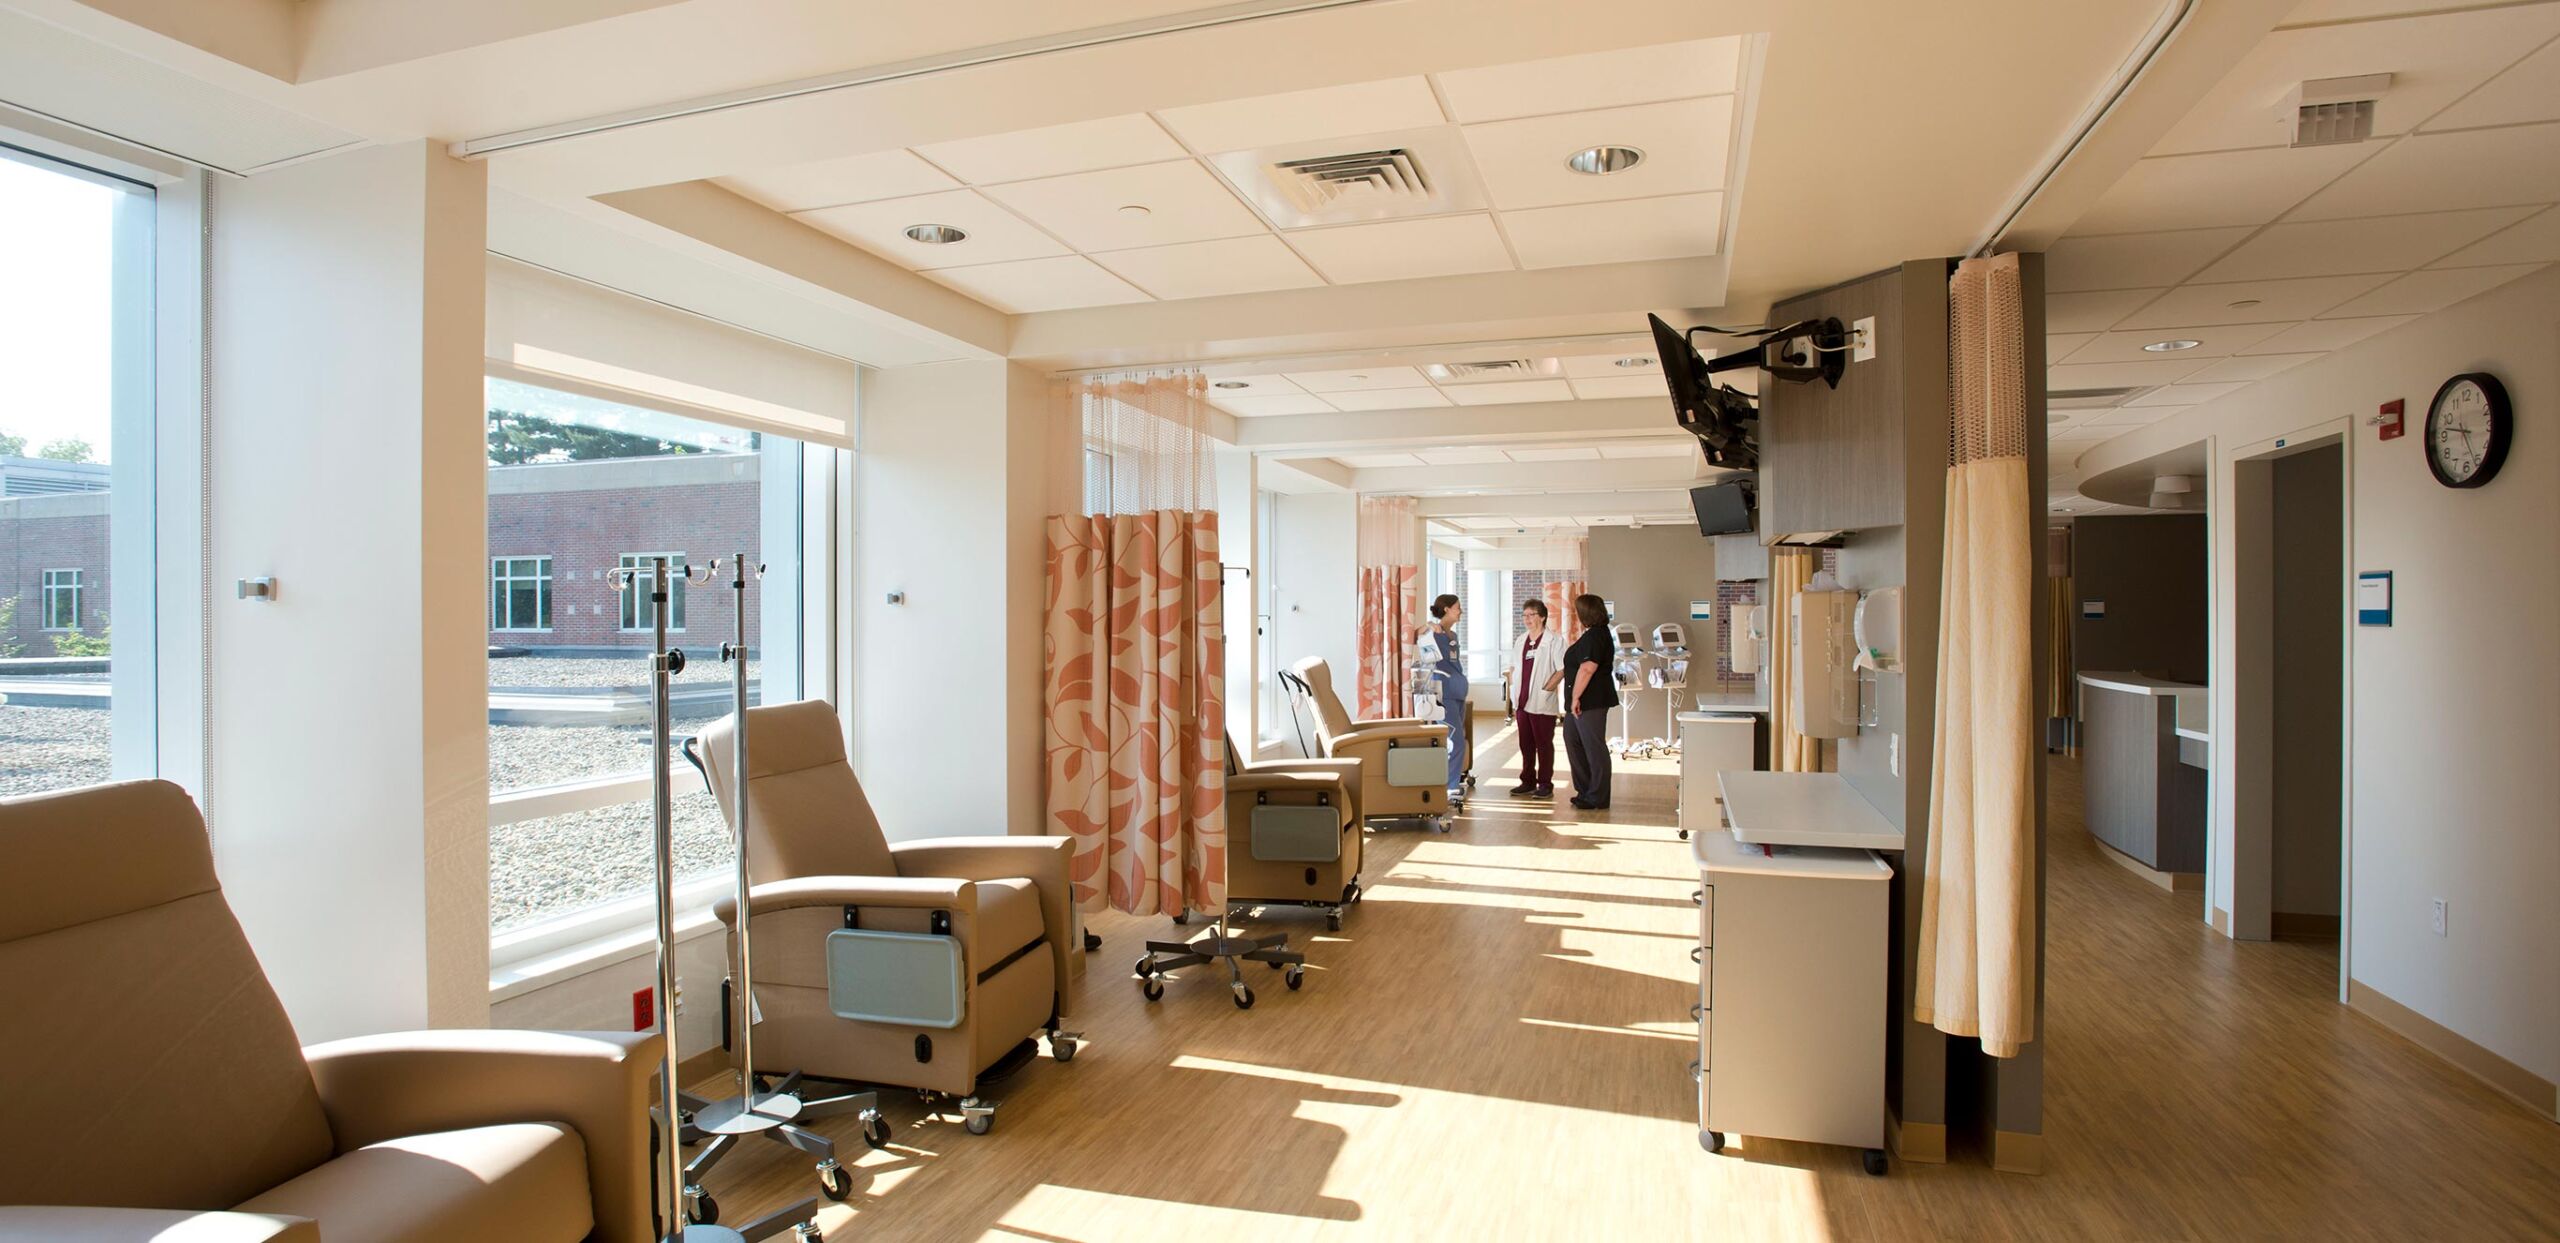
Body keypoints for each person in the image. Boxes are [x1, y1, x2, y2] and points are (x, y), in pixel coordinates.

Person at [1557, 594, 1620, 810]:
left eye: (1577, 611)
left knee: (1594, 747)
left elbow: (1587, 668)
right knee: (1572, 739)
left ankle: (1598, 796)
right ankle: (1585, 790)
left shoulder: (1596, 636)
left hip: (1590, 702)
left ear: (1586, 613)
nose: (1575, 615)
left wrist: (1575, 697)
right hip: (1581, 702)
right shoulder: (1592, 634)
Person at [1507, 599, 1564, 798]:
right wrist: (1513, 694)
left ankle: (1545, 784)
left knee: (1544, 744)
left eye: (1531, 615)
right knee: (1526, 744)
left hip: (1542, 701)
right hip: (1522, 701)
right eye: (1524, 615)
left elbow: (1561, 669)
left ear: (1542, 616)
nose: (1527, 619)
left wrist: (1546, 689)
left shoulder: (1554, 640)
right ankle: (1528, 781)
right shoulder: (1521, 640)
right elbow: (1514, 667)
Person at [1421, 593, 1468, 802]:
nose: (1461, 611)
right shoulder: (1432, 633)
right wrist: (1428, 625)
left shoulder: (1453, 636)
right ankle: (1449, 786)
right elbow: (1413, 635)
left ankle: (1451, 780)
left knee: (1458, 738)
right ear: (1447, 609)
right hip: (1443, 694)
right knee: (1454, 739)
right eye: (1458, 607)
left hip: (1457, 692)